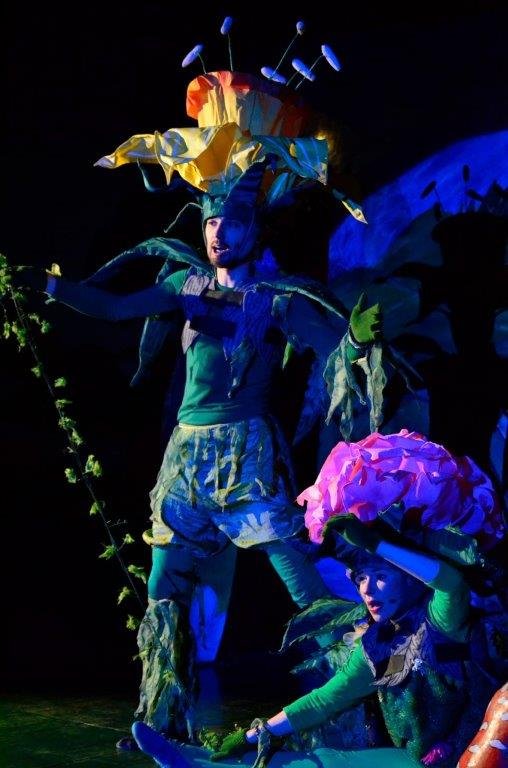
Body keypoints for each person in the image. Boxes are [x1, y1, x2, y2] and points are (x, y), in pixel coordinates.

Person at [11, 153, 384, 746]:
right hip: (185, 461)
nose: (218, 233)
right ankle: (160, 716)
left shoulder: (276, 299)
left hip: (247, 461)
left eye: (231, 221)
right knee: (164, 591)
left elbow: (336, 345)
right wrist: (49, 284)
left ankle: (353, 716)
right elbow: (113, 307)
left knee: (304, 588)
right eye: (210, 221)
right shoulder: (185, 288)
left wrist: (358, 340)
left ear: (256, 229)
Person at [127, 430, 507, 768]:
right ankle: (201, 763)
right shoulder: (380, 646)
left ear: (410, 576)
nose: (367, 590)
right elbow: (325, 700)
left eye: (380, 577)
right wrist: (256, 735)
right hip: (415, 761)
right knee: (320, 760)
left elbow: (450, 583)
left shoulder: (442, 621)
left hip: (479, 758)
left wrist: (378, 544)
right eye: (360, 578)